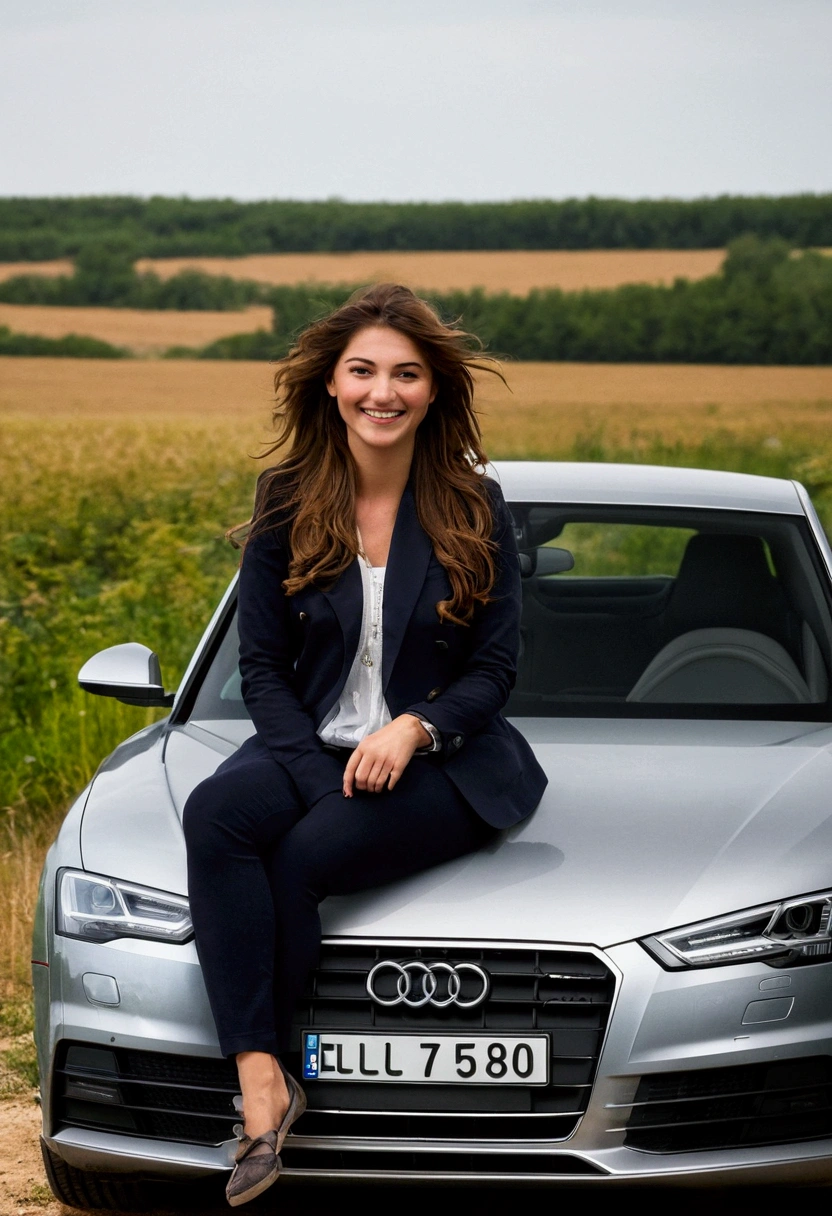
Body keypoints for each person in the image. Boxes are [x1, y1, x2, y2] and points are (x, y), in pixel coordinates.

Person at [182, 283, 548, 1206]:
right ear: (333, 386)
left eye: (405, 374)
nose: (382, 391)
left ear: (432, 390)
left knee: (303, 856)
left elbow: (494, 670)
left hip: (448, 759)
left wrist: (415, 726)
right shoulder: (286, 500)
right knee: (217, 813)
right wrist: (313, 771)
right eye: (363, 371)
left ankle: (291, 1081)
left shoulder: (474, 504)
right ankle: (262, 1076)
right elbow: (261, 667)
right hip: (309, 742)